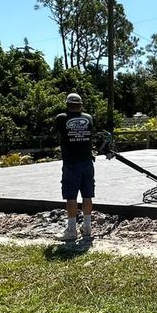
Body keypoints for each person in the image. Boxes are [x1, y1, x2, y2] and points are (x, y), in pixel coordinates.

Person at [55, 93, 95, 240]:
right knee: (87, 195)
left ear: (67, 104)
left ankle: (71, 230)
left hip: (71, 163)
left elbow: (60, 134)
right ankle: (87, 228)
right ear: (80, 104)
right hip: (87, 162)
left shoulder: (61, 118)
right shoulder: (88, 118)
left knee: (71, 196)